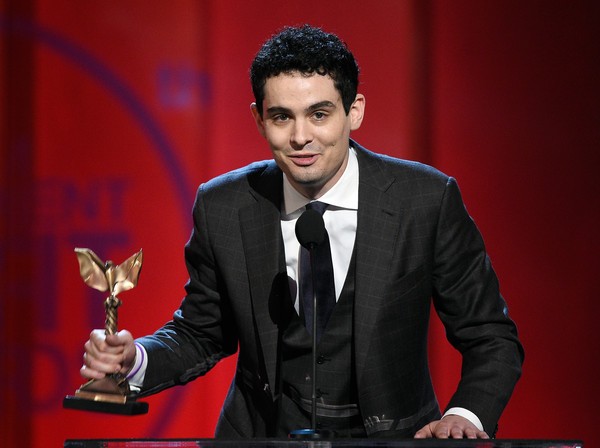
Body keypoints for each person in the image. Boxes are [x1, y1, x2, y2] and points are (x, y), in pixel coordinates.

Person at [81, 25, 524, 439]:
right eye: (281, 117)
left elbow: (491, 337)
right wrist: (134, 359)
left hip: (394, 438)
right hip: (260, 438)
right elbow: (202, 331)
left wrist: (463, 416)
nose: (300, 137)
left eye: (319, 114)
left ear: (355, 111)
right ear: (258, 119)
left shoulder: (425, 200)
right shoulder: (224, 205)